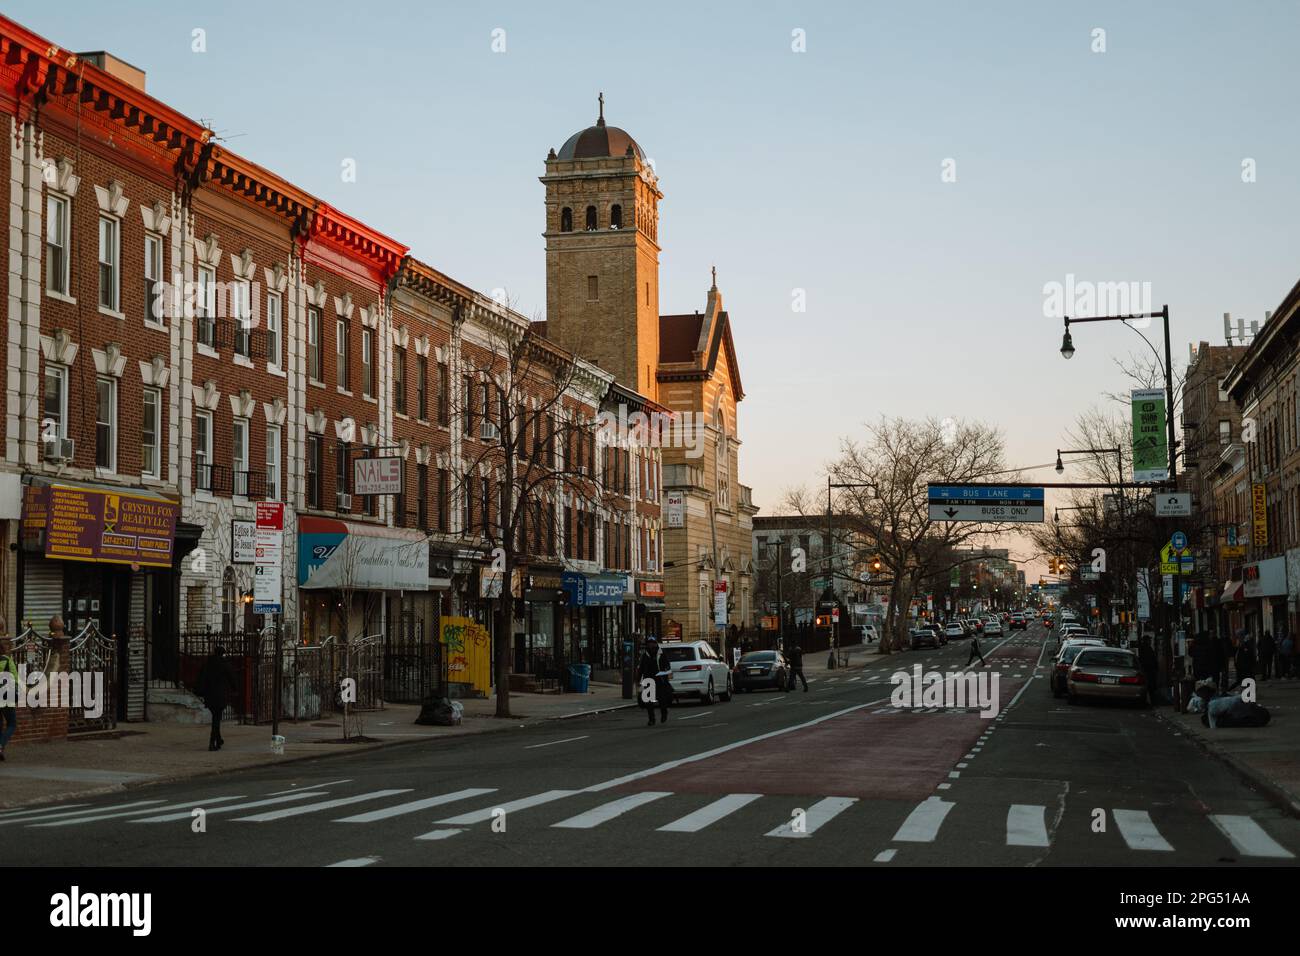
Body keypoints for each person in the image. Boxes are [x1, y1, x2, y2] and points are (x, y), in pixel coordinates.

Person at [195, 645, 236, 751]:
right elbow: (232, 679)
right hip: (220, 695)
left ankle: (218, 739)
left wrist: (201, 692)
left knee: (215, 718)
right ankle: (212, 742)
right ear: (223, 653)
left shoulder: (208, 664)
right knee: (216, 719)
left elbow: (201, 678)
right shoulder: (225, 664)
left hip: (209, 695)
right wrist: (235, 689)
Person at [633, 637, 670, 725]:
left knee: (662, 700)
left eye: (652, 642)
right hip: (648, 680)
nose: (650, 644)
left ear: (656, 643)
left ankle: (664, 713)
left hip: (660, 680)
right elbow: (641, 668)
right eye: (649, 643)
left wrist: (665, 673)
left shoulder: (661, 653)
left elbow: (667, 665)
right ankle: (651, 719)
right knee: (649, 702)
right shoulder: (645, 655)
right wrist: (638, 680)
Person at [0, 637, 19, 761]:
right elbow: (15, 679)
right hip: (6, 694)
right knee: (12, 723)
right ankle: (0, 745)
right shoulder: (7, 660)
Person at [1138, 634, 1159, 705]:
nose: (1150, 641)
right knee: (1150, 686)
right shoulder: (1146, 649)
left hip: (1148, 670)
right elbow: (1151, 660)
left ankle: (1151, 701)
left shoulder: (1144, 648)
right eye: (1149, 640)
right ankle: (1152, 701)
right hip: (1148, 670)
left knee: (1150, 687)